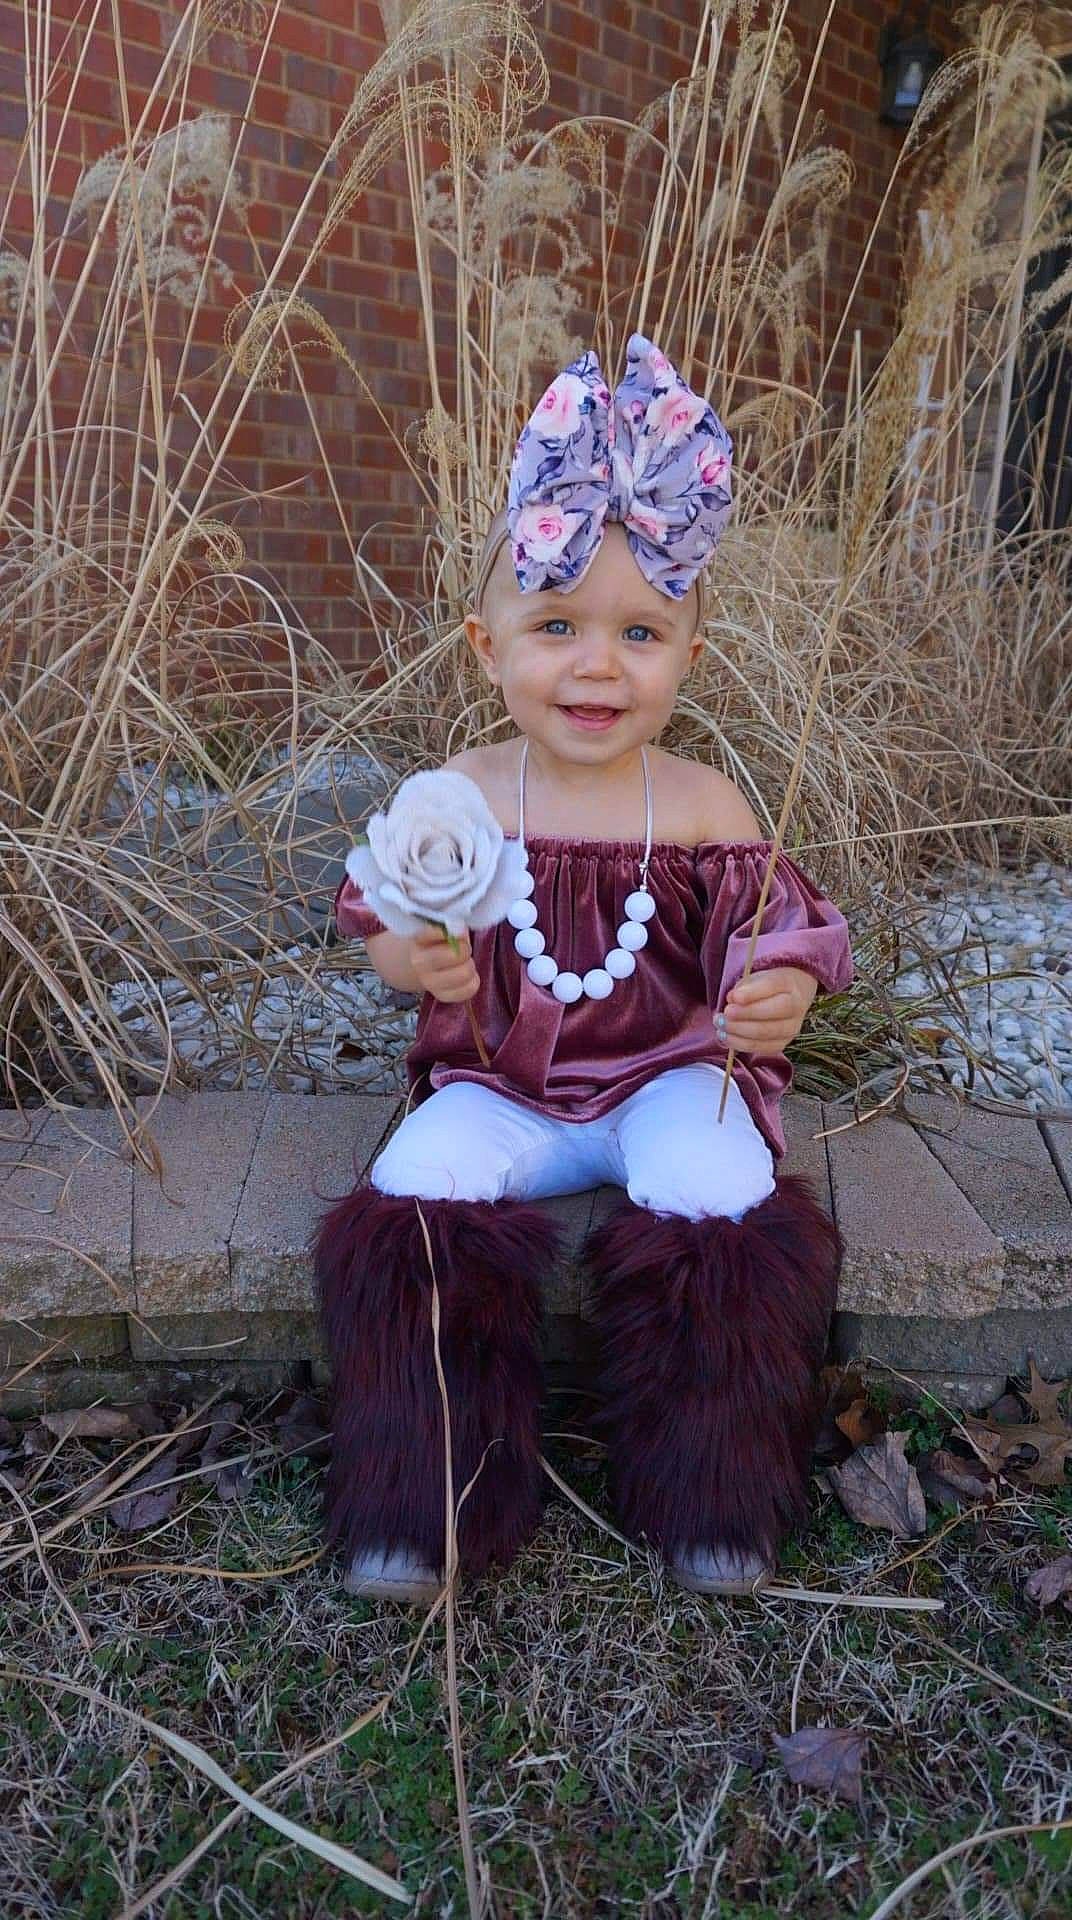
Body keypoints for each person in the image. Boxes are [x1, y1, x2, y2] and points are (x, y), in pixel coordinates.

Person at [314, 333, 854, 1605]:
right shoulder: (457, 795)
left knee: (719, 1185)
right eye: (554, 625)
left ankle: (709, 1491)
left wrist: (779, 985)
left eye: (641, 632)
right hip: (500, 1079)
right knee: (416, 1184)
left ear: (689, 658)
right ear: (485, 646)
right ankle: (424, 1494)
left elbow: (784, 927)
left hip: (668, 1069)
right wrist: (414, 956)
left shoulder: (706, 804)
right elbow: (380, 916)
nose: (597, 664)